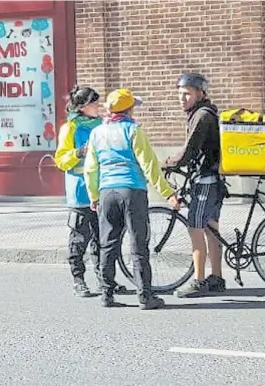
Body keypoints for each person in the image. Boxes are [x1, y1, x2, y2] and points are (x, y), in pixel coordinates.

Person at [83, 88, 181, 309]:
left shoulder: (97, 133)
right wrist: (168, 194)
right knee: (138, 244)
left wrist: (94, 195)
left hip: (107, 191)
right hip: (132, 190)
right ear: (128, 109)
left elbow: (90, 168)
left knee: (107, 244)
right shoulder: (133, 131)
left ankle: (106, 294)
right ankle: (145, 296)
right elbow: (150, 166)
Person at [54, 84, 127, 298]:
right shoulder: (70, 128)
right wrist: (78, 153)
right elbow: (60, 160)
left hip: (101, 188)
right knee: (79, 238)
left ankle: (105, 280)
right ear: (83, 106)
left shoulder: (102, 124)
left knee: (103, 239)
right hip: (80, 191)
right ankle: (78, 280)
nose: (99, 106)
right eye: (94, 103)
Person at [163, 72, 228, 298]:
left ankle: (199, 280)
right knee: (211, 228)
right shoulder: (202, 113)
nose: (182, 99)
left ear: (201, 93)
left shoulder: (202, 116)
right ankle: (217, 278)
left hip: (206, 181)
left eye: (187, 94)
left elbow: (190, 150)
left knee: (196, 228)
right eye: (180, 94)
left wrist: (168, 163)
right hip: (213, 179)